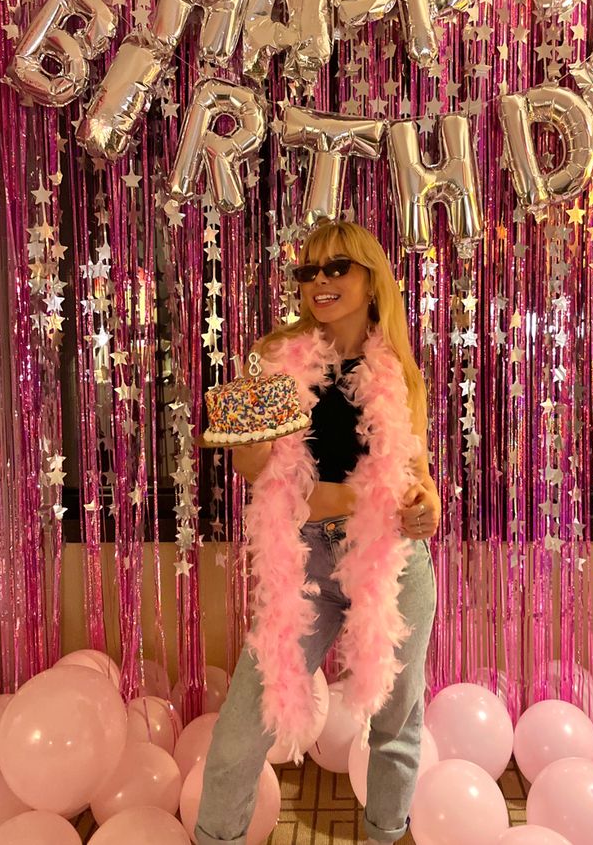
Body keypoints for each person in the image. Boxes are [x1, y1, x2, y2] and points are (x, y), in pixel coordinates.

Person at [194, 220, 439, 845]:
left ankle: (386, 834)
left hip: (390, 559)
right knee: (241, 728)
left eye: (337, 268)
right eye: (309, 271)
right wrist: (240, 428)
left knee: (395, 724)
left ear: (370, 278)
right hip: (303, 562)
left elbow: (420, 477)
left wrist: (426, 502)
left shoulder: (399, 371)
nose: (320, 282)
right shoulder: (280, 359)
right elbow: (254, 467)